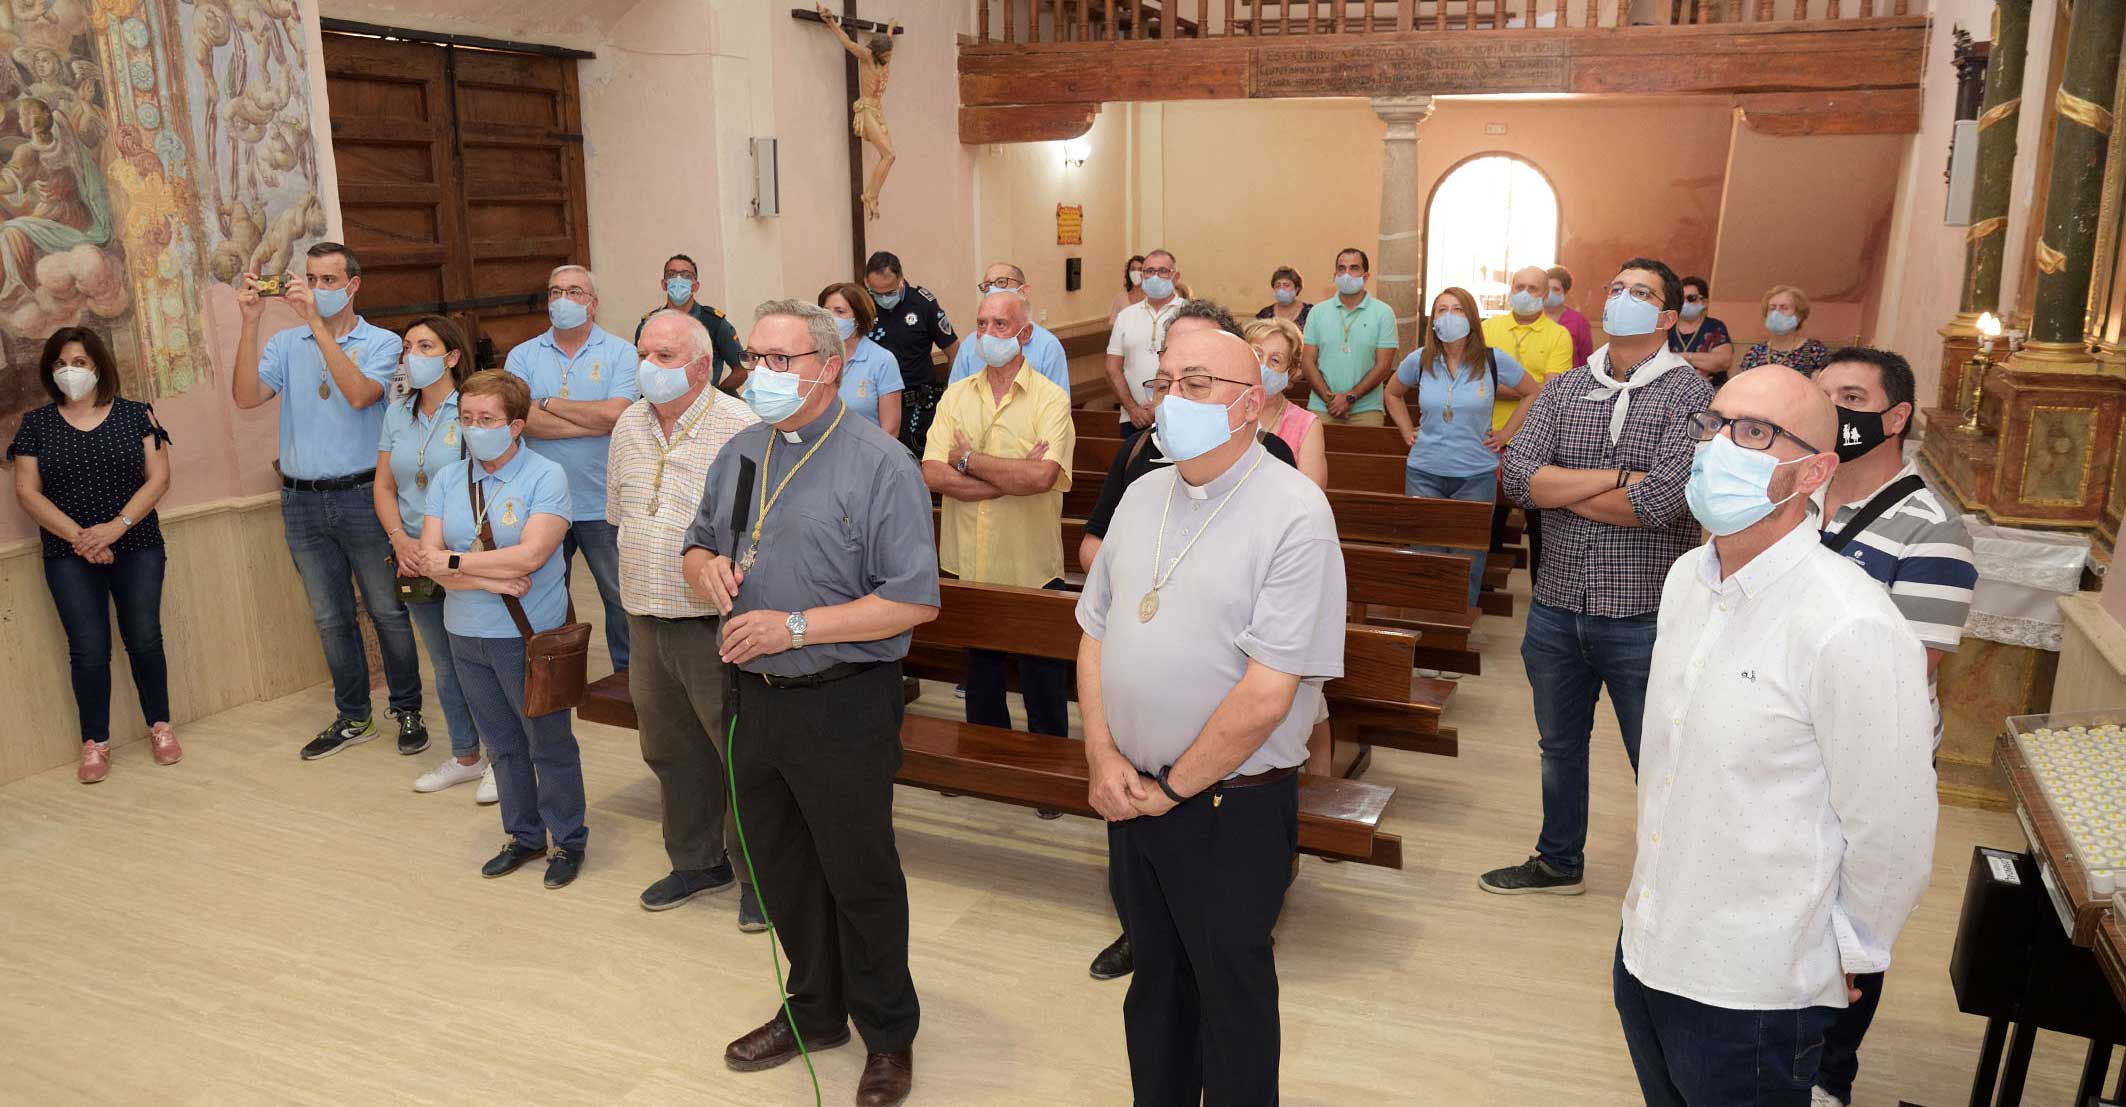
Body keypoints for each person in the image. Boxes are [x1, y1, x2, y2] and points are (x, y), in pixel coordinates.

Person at [1617, 365, 1937, 1107]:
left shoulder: (1849, 623)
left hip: (1754, 988)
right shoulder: (1686, 581)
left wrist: (1850, 949)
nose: (1718, 446)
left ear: (1813, 471)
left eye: (1754, 432)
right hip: (1648, 948)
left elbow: (1892, 828)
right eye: (1714, 424)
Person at [1079, 325, 1347, 1107]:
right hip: (1129, 795)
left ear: (1249, 402)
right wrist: (1102, 756)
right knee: (1156, 985)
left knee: (1230, 995)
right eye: (1165, 382)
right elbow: (1094, 634)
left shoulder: (1294, 512)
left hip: (1231, 805)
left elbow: (1268, 692)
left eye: (1197, 384)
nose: (1172, 399)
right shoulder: (1141, 493)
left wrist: (1172, 786)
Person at [684, 299, 937, 1107]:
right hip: (752, 696)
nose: (760, 373)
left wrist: (793, 626)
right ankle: (816, 1008)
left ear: (829, 366)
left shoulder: (879, 463)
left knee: (858, 872)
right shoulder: (742, 451)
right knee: (781, 863)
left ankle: (889, 1031)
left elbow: (912, 602)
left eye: (780, 359)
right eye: (755, 357)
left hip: (842, 700)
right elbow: (697, 542)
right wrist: (704, 574)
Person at [1486, 257, 1715, 896]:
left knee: (1658, 759)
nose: (1623, 299)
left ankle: (1674, 882)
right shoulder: (1564, 388)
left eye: (1641, 293)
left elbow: (1665, 502)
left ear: (1668, 316)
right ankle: (1558, 862)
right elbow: (1516, 478)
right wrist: (1618, 479)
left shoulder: (1690, 394)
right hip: (1558, 602)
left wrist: (1558, 489)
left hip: (1643, 612)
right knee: (1559, 747)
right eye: (1616, 289)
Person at [1809, 346, 1977, 1107]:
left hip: (1866, 767)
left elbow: (1912, 673)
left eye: (1849, 395)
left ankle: (1828, 1078)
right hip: (1792, 751)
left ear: (1896, 415)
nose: (1832, 410)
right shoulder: (1798, 496)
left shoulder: (1933, 527)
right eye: (1822, 396)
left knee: (1850, 925)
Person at [232, 241, 429, 760]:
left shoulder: (383, 342)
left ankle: (408, 708)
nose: (317, 290)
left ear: (352, 285)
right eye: (311, 279)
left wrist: (317, 328)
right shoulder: (285, 342)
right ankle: (353, 716)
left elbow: (362, 395)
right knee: (329, 616)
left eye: (327, 281)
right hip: (301, 500)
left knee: (387, 611)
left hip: (364, 493)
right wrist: (251, 322)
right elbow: (246, 397)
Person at [610, 310, 765, 929]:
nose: (650, 366)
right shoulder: (628, 422)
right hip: (644, 615)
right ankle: (698, 860)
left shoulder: (742, 427)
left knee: (738, 753)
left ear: (703, 366)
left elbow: (758, 533)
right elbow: (621, 514)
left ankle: (761, 874)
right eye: (644, 352)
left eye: (665, 356)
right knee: (669, 750)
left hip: (713, 621)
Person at [411, 369, 587, 889]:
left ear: (515, 425)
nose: (474, 427)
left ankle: (568, 839)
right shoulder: (448, 479)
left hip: (529, 638)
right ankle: (524, 835)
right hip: (465, 634)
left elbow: (531, 556)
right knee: (503, 745)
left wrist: (455, 565)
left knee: (547, 742)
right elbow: (427, 560)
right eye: (466, 418)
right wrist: (490, 580)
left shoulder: (545, 476)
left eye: (486, 419)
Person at [9, 328, 177, 784]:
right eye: (62, 363)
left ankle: (160, 725)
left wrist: (113, 529)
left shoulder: (136, 415)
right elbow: (27, 492)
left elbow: (158, 478)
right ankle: (95, 743)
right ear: (50, 370)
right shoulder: (35, 426)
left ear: (98, 366)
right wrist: (82, 538)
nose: (71, 371)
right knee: (87, 650)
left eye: (80, 362)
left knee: (143, 637)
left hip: (137, 545)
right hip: (67, 554)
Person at [924, 289, 1075, 740]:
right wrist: (1010, 477)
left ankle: (1048, 772)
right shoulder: (956, 397)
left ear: (1025, 334)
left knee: (1042, 681)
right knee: (981, 679)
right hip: (970, 562)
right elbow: (932, 472)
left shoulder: (1051, 399)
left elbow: (1042, 478)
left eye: (1000, 325)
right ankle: (985, 761)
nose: (987, 334)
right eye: (982, 324)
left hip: (1029, 562)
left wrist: (968, 461)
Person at [1081, 304, 1298, 573]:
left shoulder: (1271, 456)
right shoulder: (1136, 452)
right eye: (1172, 355)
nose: (1175, 395)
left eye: (1195, 381)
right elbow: (1096, 542)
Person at [377, 315, 492, 802]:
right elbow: (385, 485)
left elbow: (485, 481)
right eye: (407, 346)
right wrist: (401, 542)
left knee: (484, 661)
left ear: (451, 356)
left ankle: (506, 758)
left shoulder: (471, 409)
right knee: (445, 664)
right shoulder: (397, 412)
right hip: (414, 557)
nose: (412, 355)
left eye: (425, 346)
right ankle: (467, 755)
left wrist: (441, 551)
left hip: (464, 556)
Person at [506, 263, 640, 672]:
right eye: (555, 292)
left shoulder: (620, 352)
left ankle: (628, 681)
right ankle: (555, 679)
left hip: (602, 501)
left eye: (574, 292)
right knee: (544, 598)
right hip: (542, 506)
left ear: (593, 304)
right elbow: (520, 419)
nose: (563, 300)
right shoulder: (522, 355)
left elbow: (617, 415)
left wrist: (546, 404)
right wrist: (587, 421)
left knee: (619, 598)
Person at [1388, 288, 1535, 611]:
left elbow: (1532, 392)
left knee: (1468, 554)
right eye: (1441, 310)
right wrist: (1405, 430)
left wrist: (1507, 433)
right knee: (1427, 551)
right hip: (1424, 471)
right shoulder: (1420, 359)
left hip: (1476, 474)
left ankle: (1457, 618)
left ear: (1471, 317)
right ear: (1433, 319)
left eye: (1457, 310)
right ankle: (1425, 617)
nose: (1449, 316)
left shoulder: (1492, 360)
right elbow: (1392, 393)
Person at [1485, 265, 1576, 579]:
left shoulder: (1558, 335)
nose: (1524, 294)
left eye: (1533, 289)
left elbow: (1550, 392)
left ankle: (1542, 590)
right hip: (1488, 435)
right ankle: (1484, 587)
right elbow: (1478, 382)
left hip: (1539, 442)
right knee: (1490, 520)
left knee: (1539, 524)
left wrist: (1516, 391)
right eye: (1518, 286)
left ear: (1546, 294)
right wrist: (1527, 389)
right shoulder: (1489, 329)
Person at [863, 250, 958, 456]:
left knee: (924, 473)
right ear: (866, 283)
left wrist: (951, 399)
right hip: (876, 406)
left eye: (889, 292)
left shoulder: (923, 304)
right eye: (877, 293)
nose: (883, 299)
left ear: (901, 280)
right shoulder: (862, 307)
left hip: (918, 406)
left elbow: (954, 351)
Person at [1300, 247, 1398, 426]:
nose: (1346, 274)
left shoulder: (1383, 313)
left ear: (1366, 276)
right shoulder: (1317, 312)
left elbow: (1384, 366)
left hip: (1366, 409)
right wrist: (1330, 399)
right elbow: (1307, 362)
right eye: (1341, 268)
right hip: (1322, 407)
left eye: (1354, 268)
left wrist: (1349, 398)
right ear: (1334, 275)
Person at [945, 262, 1071, 394]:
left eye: (1001, 282)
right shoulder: (971, 344)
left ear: (1023, 291)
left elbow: (1059, 403)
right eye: (987, 285)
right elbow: (954, 397)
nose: (992, 290)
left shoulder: (1047, 346)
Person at [634, 253, 749, 395]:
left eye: (686, 275)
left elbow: (741, 370)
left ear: (695, 286)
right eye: (672, 274)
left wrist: (715, 394)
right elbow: (639, 368)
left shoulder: (715, 323)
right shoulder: (650, 324)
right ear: (664, 284)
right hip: (658, 400)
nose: (678, 279)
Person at [1106, 248, 1186, 431]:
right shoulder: (1126, 316)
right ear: (1142, 276)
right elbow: (1112, 369)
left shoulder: (1189, 314)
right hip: (1133, 418)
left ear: (1175, 277)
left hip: (1177, 416)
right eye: (1149, 271)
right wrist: (1133, 409)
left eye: (1163, 271)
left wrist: (1160, 406)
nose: (1155, 277)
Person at [1240, 317, 1326, 487]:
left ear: (1291, 372)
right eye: (1256, 355)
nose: (1262, 366)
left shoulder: (1306, 425)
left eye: (1275, 360)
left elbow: (1311, 497)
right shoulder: (1222, 409)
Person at [820, 281, 905, 438]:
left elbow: (890, 430)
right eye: (826, 312)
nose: (831, 319)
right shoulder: (816, 357)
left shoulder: (882, 360)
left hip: (867, 455)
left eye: (840, 312)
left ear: (857, 319)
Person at [1739, 284, 1832, 377]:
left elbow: (1820, 387)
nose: (1777, 312)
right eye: (1772, 308)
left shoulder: (1814, 351)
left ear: (1799, 315)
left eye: (1784, 308)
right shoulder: (1755, 353)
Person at [1668, 275, 1734, 385]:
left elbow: (1723, 361)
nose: (1684, 303)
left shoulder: (1715, 326)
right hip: (1672, 389)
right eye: (1680, 299)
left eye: (1691, 298)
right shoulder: (1667, 327)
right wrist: (1701, 364)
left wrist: (1682, 357)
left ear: (1704, 302)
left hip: (1712, 390)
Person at [1545, 265, 1596, 369]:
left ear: (1565, 292)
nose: (1550, 293)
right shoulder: (1532, 317)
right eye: (1547, 288)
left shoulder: (1579, 322)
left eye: (1556, 289)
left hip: (1568, 381)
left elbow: (1586, 360)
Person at [1254, 265, 1311, 329]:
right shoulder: (1265, 314)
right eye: (1278, 286)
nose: (1281, 289)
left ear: (1297, 289)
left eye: (1286, 285)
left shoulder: (1309, 312)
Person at [1108, 254, 1147, 325]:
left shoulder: (1152, 297)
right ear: (1128, 272)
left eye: (1140, 269)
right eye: (1133, 269)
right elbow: (1114, 325)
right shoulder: (1120, 297)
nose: (1136, 273)